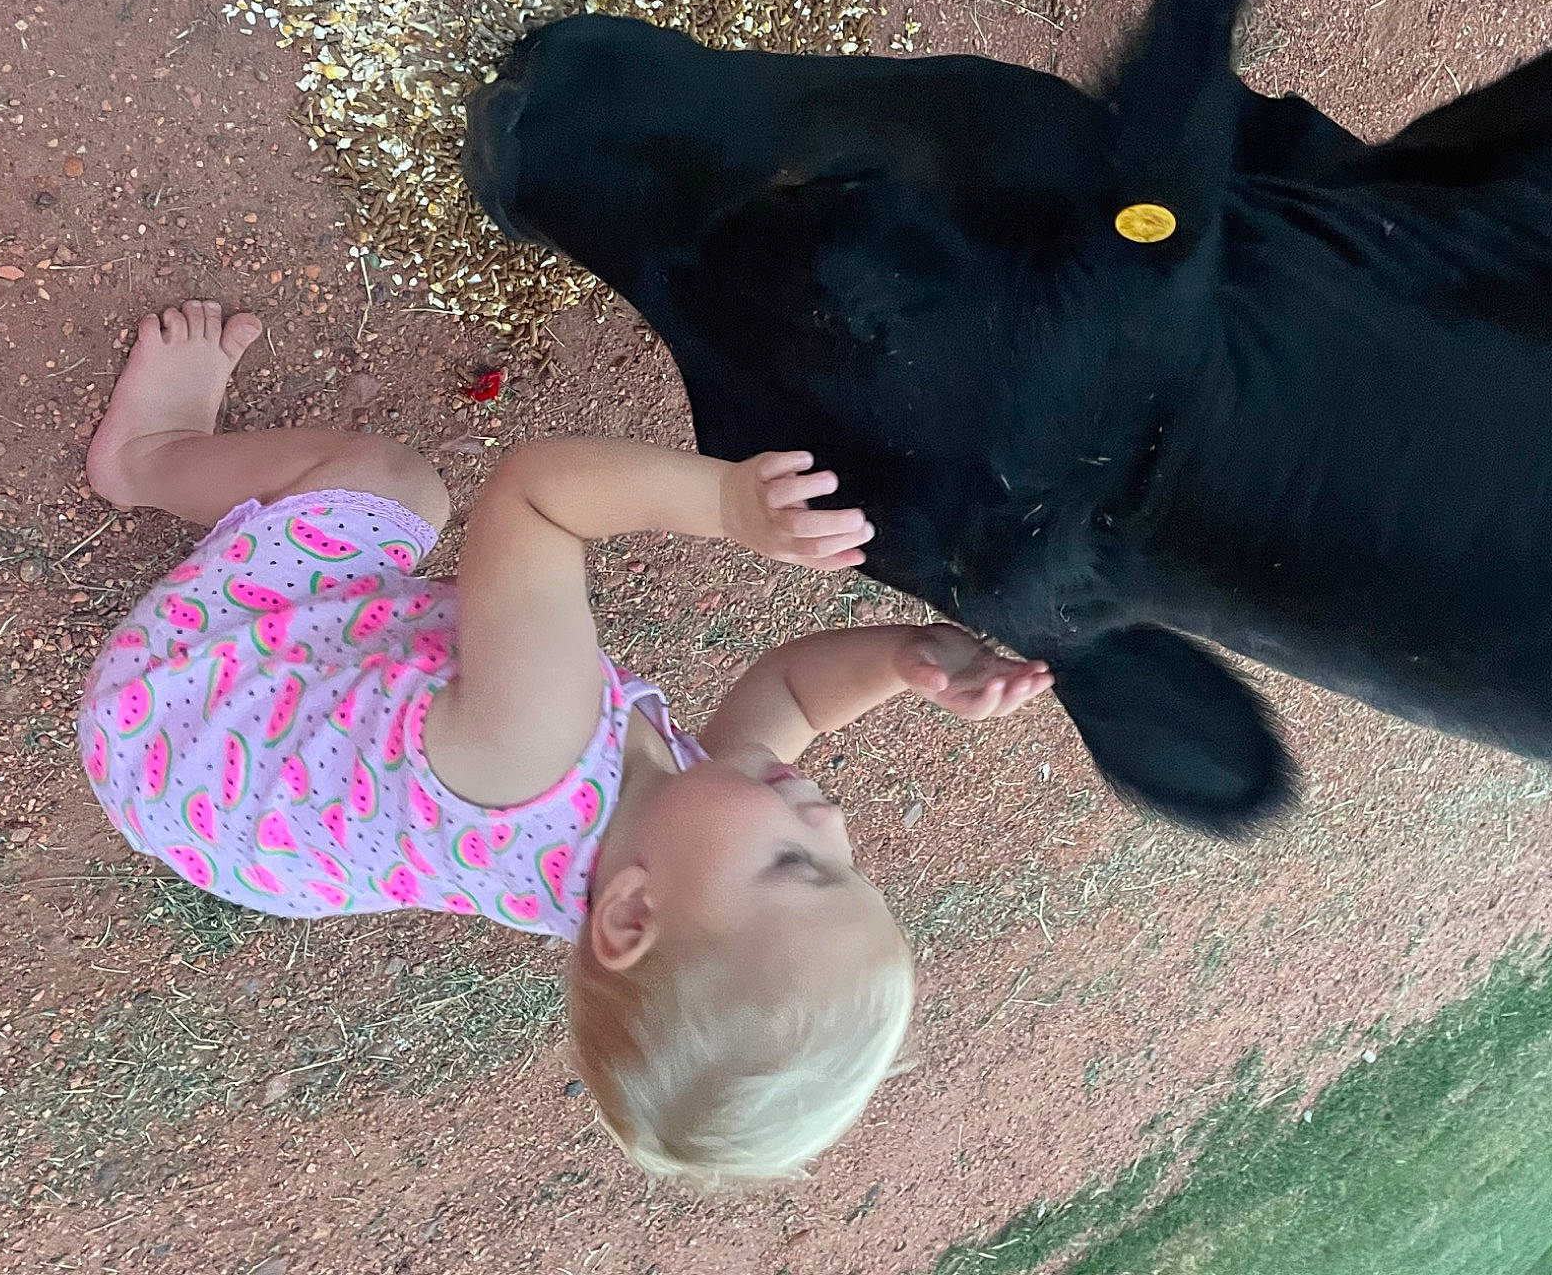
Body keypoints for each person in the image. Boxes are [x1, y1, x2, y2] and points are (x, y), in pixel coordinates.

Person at [76, 300, 1053, 1182]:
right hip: (248, 822)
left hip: (188, 713)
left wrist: (725, 503)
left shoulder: (535, 745)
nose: (831, 820)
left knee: (395, 488)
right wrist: (911, 657)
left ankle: (147, 458)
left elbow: (537, 495)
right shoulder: (666, 841)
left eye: (800, 865)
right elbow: (791, 690)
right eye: (852, 865)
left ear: (630, 919)